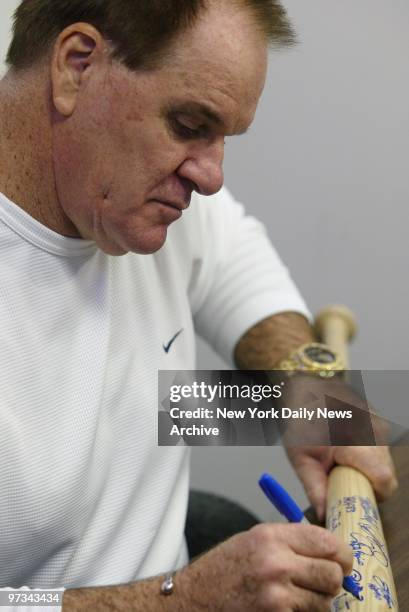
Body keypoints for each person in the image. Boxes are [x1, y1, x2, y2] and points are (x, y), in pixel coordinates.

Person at [0, 1, 398, 610]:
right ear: (76, 66)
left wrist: (304, 393)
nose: (211, 177)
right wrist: (180, 599)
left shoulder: (137, 198)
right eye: (190, 125)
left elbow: (237, 269)